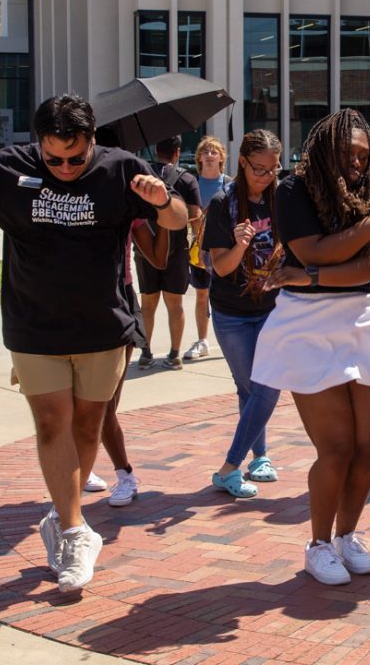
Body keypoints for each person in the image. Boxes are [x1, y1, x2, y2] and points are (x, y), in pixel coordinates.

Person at [0, 94, 189, 592]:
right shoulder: (8, 167)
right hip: (34, 326)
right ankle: (73, 529)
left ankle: (63, 515)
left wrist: (160, 201)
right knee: (51, 423)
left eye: (75, 157)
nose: (64, 166)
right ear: (38, 143)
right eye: (54, 157)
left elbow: (176, 222)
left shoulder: (120, 169)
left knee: (89, 426)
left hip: (102, 327)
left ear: (90, 141)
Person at [252, 108, 370, 585]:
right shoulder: (292, 189)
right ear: (325, 149)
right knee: (336, 448)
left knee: (366, 450)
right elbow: (313, 248)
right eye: (350, 154)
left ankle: (347, 535)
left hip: (363, 318)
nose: (359, 164)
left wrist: (316, 274)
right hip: (306, 323)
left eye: (365, 156)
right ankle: (318, 543)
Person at [204, 130, 284, 498]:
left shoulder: (281, 198)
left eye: (272, 168)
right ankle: (245, 462)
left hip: (272, 307)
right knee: (252, 388)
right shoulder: (224, 203)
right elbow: (220, 268)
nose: (266, 176)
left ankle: (244, 462)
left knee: (265, 385)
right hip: (231, 312)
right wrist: (240, 244)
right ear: (241, 161)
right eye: (258, 169)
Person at [95, 218, 169, 507]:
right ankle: (78, 468)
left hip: (117, 302)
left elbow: (158, 258)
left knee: (102, 405)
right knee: (67, 405)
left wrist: (164, 211)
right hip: (66, 304)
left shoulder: (122, 193)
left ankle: (124, 474)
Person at [136, 136, 202, 370]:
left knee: (148, 303)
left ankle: (145, 353)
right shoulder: (186, 178)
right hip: (177, 248)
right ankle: (174, 354)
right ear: (177, 152)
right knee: (175, 303)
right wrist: (198, 246)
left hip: (145, 247)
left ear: (155, 149)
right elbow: (195, 215)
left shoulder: (143, 176)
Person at [184, 136, 230, 363]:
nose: (210, 155)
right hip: (198, 250)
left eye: (214, 152)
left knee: (225, 295)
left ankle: (228, 338)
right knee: (202, 295)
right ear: (199, 157)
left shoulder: (229, 185)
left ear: (221, 157)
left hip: (223, 250)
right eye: (206, 152)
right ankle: (202, 340)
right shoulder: (191, 184)